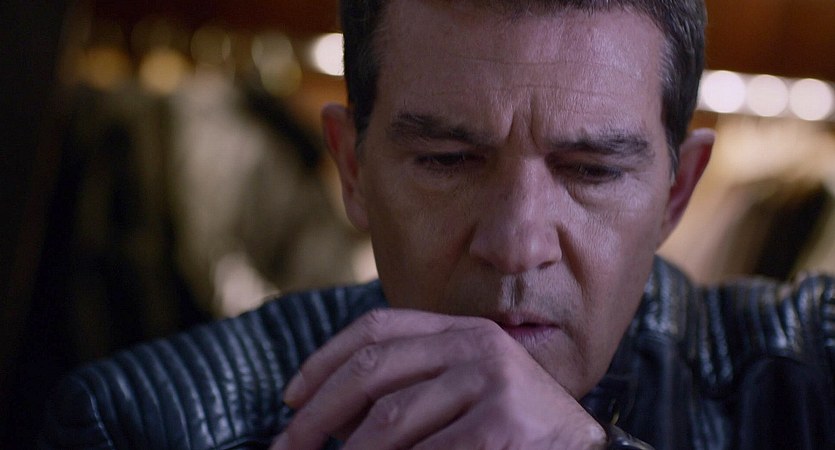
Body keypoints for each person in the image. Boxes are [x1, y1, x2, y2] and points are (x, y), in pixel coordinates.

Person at [40, 0, 835, 449]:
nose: (516, 244)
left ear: (676, 192)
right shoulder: (143, 425)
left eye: (590, 171)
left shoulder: (812, 369)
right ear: (351, 169)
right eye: (448, 161)